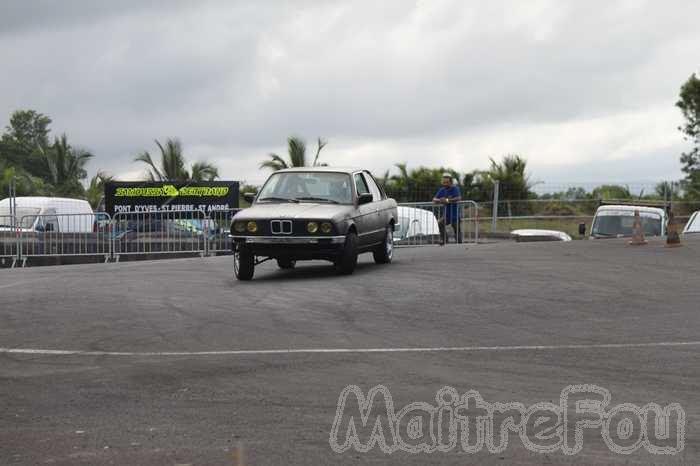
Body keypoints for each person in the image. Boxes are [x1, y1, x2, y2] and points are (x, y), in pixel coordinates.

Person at [432, 173, 462, 245]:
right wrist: (440, 200)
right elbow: (434, 199)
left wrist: (447, 200)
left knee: (457, 230)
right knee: (440, 224)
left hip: (455, 215)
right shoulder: (442, 190)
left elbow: (459, 198)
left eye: (447, 182)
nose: (445, 184)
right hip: (447, 215)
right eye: (444, 182)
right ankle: (445, 239)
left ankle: (459, 243)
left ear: (451, 182)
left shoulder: (455, 188)